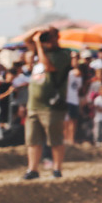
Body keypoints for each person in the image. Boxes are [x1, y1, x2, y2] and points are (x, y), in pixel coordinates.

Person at [23, 27, 71, 180]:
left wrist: (38, 46)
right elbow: (26, 40)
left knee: (55, 139)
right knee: (32, 139)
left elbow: (47, 66)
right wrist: (37, 31)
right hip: (34, 105)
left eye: (49, 36)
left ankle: (57, 169)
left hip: (52, 106)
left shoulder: (62, 54)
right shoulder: (40, 51)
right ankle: (33, 169)